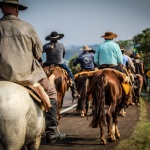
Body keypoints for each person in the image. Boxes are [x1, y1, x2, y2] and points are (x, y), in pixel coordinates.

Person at [0, 0, 65, 142]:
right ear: (17, 9)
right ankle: (51, 130)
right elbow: (37, 53)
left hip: (1, 76)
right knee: (52, 92)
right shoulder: (27, 27)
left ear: (2, 8)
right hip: (26, 76)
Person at [43, 31, 80, 99]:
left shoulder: (46, 46)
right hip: (60, 63)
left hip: (48, 63)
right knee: (70, 75)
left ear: (50, 38)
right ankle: (74, 91)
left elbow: (39, 53)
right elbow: (63, 55)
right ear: (58, 38)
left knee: (37, 74)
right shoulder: (61, 45)